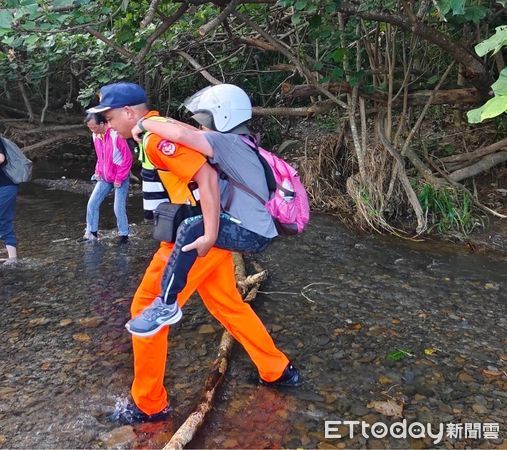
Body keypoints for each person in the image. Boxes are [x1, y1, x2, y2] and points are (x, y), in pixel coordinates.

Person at [87, 82, 300, 424]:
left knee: (148, 309)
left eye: (110, 118)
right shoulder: (159, 129)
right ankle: (276, 369)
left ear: (129, 113)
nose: (108, 125)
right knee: (227, 304)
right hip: (206, 237)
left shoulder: (156, 139)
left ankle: (149, 404)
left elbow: (206, 176)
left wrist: (210, 232)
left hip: (196, 239)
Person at [124, 84, 278, 337]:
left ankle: (167, 303)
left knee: (192, 226)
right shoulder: (239, 140)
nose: (201, 126)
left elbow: (183, 136)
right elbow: (187, 130)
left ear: (222, 116)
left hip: (251, 232)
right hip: (251, 226)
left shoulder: (225, 142)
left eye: (206, 121)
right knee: (226, 301)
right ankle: (277, 370)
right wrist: (157, 122)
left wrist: (144, 125)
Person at [78, 113, 133, 243]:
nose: (92, 130)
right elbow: (100, 157)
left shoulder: (116, 135)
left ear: (102, 124)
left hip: (120, 176)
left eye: (94, 127)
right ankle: (91, 233)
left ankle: (124, 235)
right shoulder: (95, 135)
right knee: (92, 203)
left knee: (118, 207)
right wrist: (97, 171)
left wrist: (119, 178)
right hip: (105, 176)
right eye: (90, 128)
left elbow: (127, 158)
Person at [0, 137, 19, 265]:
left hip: (6, 186)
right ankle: (12, 258)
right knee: (4, 219)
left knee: (3, 218)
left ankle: (13, 259)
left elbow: (1, 158)